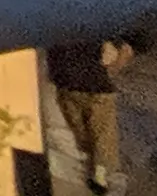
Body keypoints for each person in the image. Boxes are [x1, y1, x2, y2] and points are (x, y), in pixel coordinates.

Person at [48, 11, 126, 196]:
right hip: (89, 85)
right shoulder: (94, 14)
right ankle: (99, 170)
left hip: (73, 85)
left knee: (90, 131)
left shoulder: (53, 18)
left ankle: (98, 170)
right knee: (98, 132)